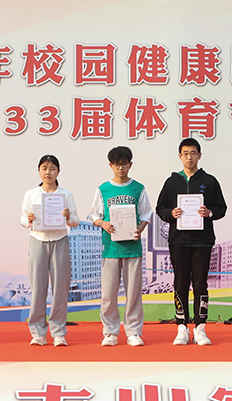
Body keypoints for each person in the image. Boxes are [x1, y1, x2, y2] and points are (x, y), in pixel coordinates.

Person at [155, 138, 227, 346]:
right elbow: (160, 208)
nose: (189, 157)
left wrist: (209, 212)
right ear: (180, 156)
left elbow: (221, 208)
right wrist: (171, 213)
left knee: (200, 283)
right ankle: (182, 327)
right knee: (180, 283)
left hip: (202, 241)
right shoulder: (172, 182)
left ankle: (200, 327)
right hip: (178, 241)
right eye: (185, 153)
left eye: (193, 153)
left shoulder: (210, 181)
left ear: (199, 155)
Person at [86, 146, 152, 347]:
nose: (120, 168)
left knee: (133, 293)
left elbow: (146, 214)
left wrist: (140, 228)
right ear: (110, 165)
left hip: (132, 248)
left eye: (124, 164)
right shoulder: (103, 189)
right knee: (108, 294)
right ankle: (110, 332)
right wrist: (103, 223)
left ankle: (134, 332)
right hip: (110, 248)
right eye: (117, 164)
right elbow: (93, 215)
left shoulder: (138, 188)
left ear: (130, 164)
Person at [19, 155, 79, 347]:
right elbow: (22, 219)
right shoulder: (31, 194)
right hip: (38, 240)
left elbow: (75, 221)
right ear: (39, 171)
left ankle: (58, 332)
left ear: (58, 172)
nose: (48, 172)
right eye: (44, 168)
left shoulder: (66, 195)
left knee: (60, 288)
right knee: (38, 288)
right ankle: (38, 333)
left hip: (60, 240)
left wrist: (68, 216)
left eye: (52, 168)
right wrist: (28, 219)